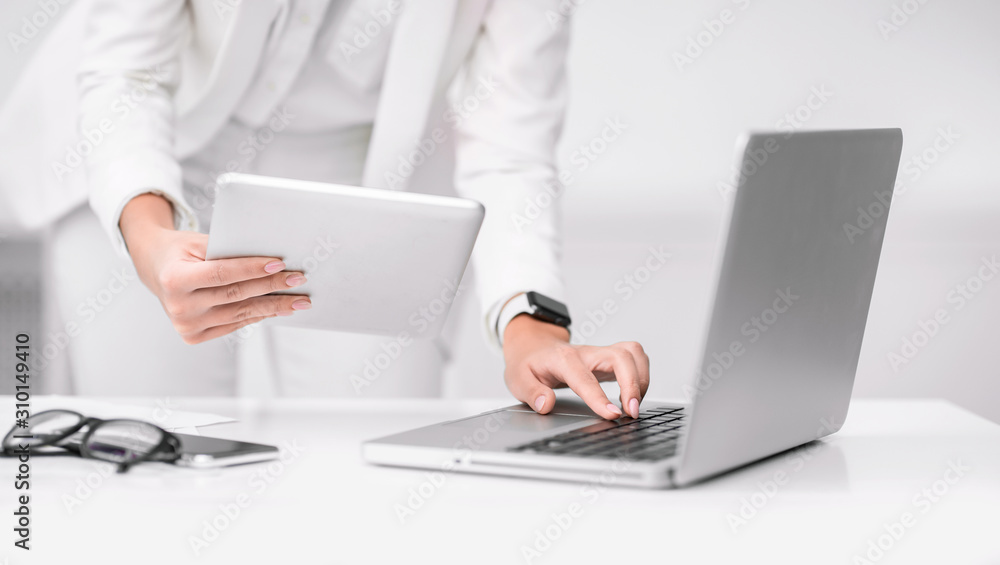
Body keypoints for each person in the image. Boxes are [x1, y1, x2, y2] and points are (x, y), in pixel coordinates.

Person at [5, 0, 649, 420]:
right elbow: (128, 73)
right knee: (148, 437)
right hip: (154, 144)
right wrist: (148, 241)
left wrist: (532, 326)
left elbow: (511, 150)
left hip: (358, 165)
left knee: (372, 445)